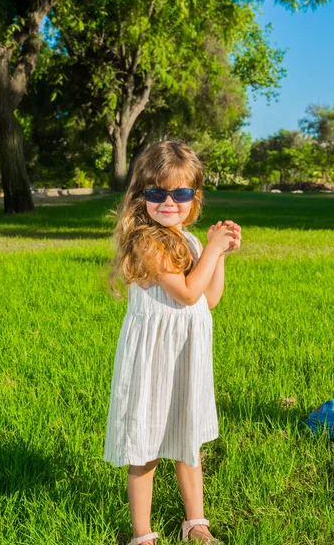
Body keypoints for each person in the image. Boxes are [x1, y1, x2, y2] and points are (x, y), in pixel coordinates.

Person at [103, 140, 241, 545]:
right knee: (145, 446)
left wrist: (218, 256)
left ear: (193, 199)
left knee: (187, 439)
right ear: (141, 196)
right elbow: (184, 293)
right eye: (156, 193)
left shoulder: (192, 241)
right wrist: (213, 249)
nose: (168, 202)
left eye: (179, 193)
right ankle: (143, 534)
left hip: (186, 357)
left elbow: (208, 298)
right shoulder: (148, 241)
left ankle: (195, 522)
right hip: (153, 360)